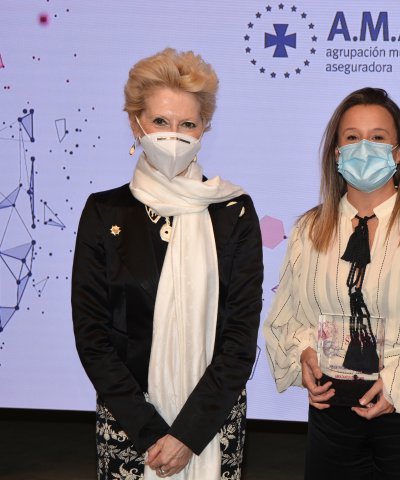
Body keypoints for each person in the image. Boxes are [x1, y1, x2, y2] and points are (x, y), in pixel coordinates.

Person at [263, 87, 400, 479]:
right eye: (352, 137)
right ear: (336, 153)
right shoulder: (309, 229)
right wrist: (303, 352)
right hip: (331, 411)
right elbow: (291, 313)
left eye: (378, 137)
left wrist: (398, 386)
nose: (363, 147)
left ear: (398, 153)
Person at [71, 48, 263, 480]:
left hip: (211, 426)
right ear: (135, 122)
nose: (173, 135)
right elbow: (92, 334)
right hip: (129, 424)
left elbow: (239, 336)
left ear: (204, 129)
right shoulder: (105, 213)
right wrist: (150, 432)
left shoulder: (233, 211)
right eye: (160, 122)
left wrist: (187, 436)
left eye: (187, 124)